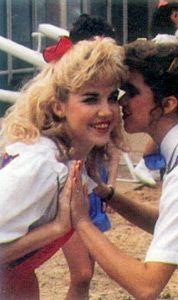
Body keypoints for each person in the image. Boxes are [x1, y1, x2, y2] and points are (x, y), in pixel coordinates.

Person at [69, 40, 178, 299]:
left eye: (131, 92)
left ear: (168, 104)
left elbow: (146, 286)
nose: (122, 102)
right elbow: (168, 223)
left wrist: (81, 221)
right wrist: (105, 193)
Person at [0, 36, 126, 300]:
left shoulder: (69, 159)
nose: (106, 111)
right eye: (91, 99)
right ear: (59, 107)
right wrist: (57, 228)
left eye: (112, 97)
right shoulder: (42, 166)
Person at [61, 14, 121, 300]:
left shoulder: (106, 92)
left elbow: (113, 144)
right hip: (67, 183)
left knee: (88, 273)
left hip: (93, 182)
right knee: (82, 271)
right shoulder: (65, 91)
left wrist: (108, 187)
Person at [134, 0, 178, 186]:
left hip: (162, 90)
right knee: (166, 128)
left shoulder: (157, 39)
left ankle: (153, 165)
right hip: (166, 91)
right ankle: (145, 164)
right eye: (176, 15)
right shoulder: (169, 41)